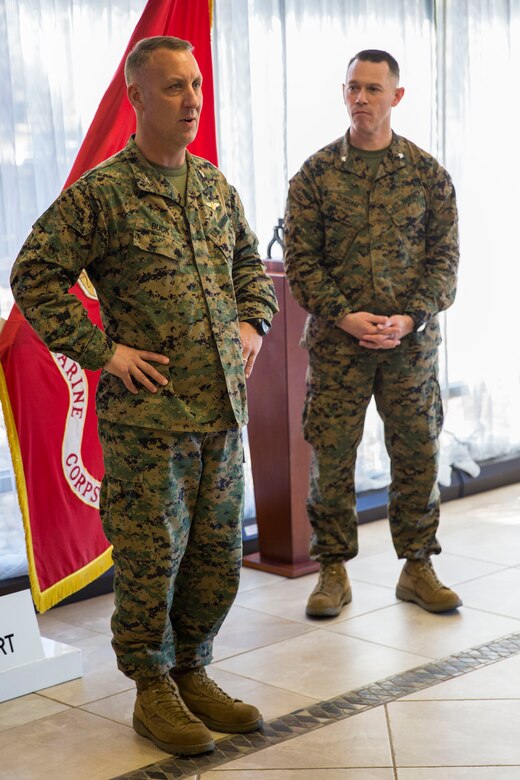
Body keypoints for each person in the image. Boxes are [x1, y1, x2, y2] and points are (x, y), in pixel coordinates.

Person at [11, 36, 278, 756]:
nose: (191, 100)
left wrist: (254, 323)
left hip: (222, 418)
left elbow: (249, 266)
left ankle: (193, 670)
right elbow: (33, 276)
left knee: (215, 561)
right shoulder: (103, 194)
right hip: (148, 426)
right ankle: (151, 688)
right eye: (173, 88)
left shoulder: (216, 187)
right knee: (152, 561)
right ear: (136, 97)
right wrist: (104, 352)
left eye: (195, 86)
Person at [284, 49, 461, 619]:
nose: (361, 98)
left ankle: (418, 567)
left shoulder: (429, 176)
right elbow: (300, 262)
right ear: (344, 94)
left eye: (373, 90)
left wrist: (410, 317)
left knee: (417, 452)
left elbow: (445, 262)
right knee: (331, 456)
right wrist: (342, 314)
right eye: (353, 88)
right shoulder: (314, 175)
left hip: (409, 349)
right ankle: (332, 571)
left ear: (396, 97)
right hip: (339, 347)